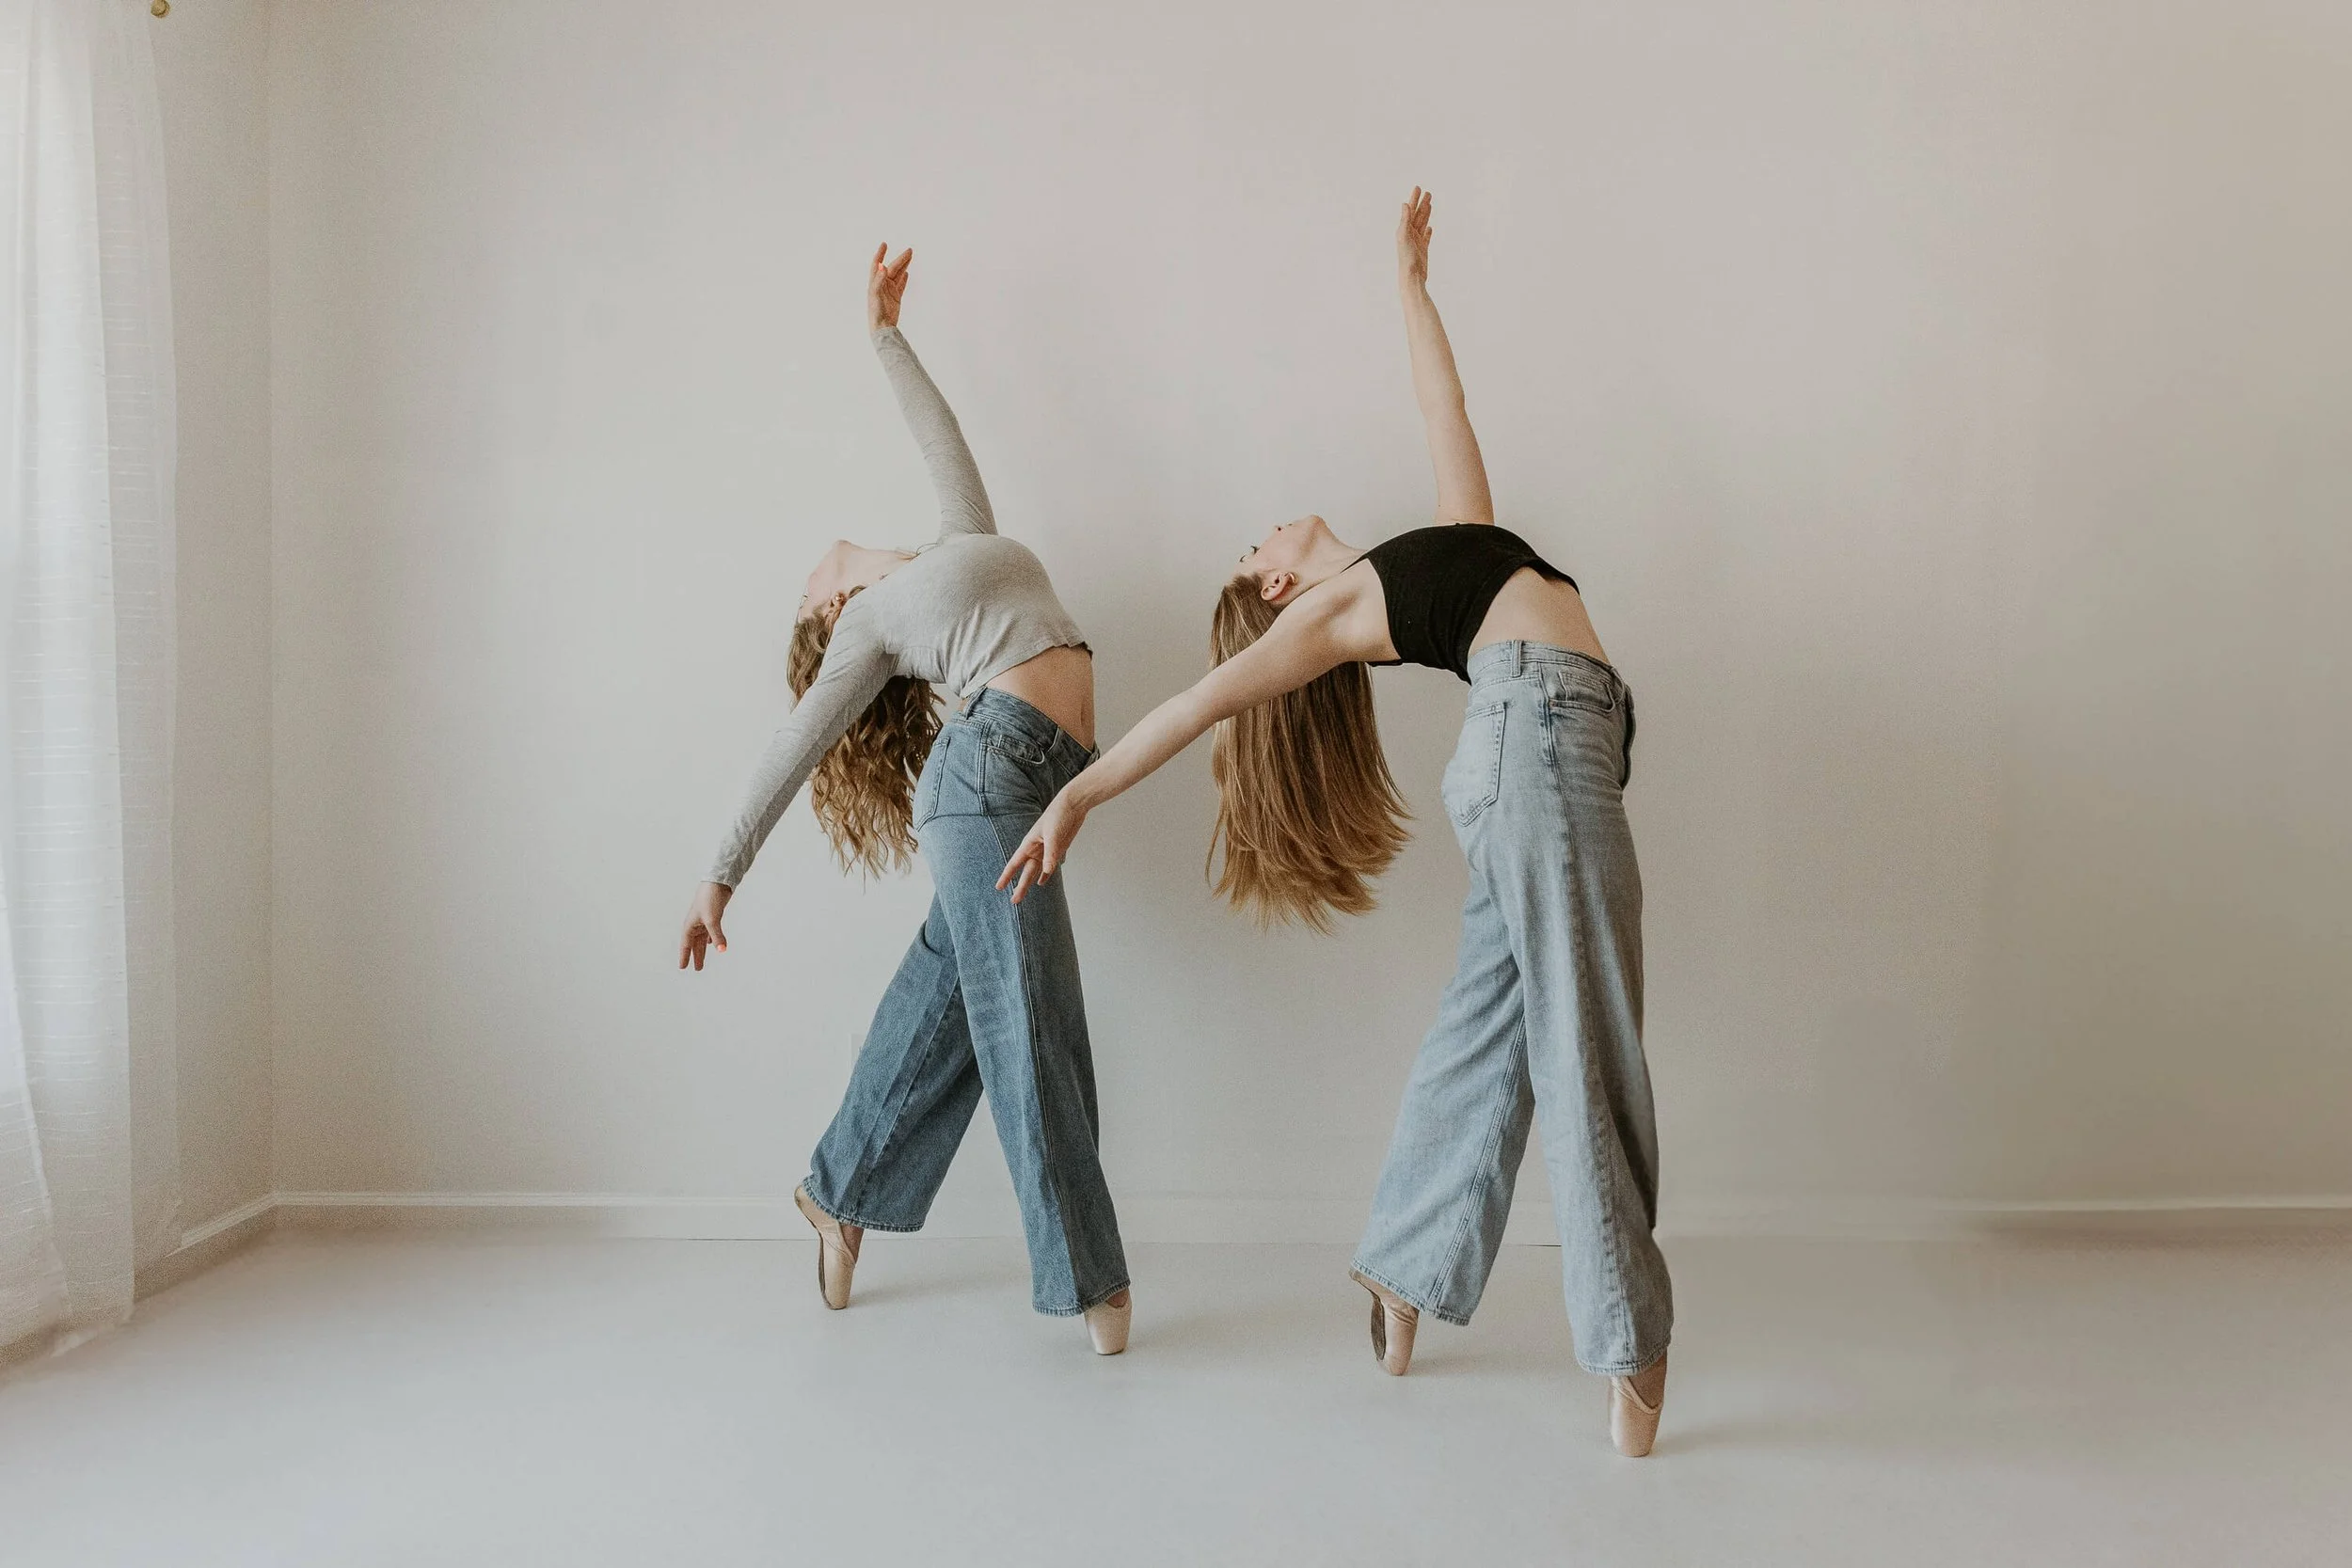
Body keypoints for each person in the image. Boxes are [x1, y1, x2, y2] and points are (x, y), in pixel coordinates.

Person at [997, 190, 1672, 1448]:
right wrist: (1077, 796)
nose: (1271, 527)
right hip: (1537, 739)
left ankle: (1402, 1268)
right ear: (1273, 578)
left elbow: (1446, 416)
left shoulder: (1439, 551)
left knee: (1494, 1026)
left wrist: (1411, 288)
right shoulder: (1326, 614)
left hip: (1548, 740)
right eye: (1258, 540)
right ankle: (1631, 1345)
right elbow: (1198, 705)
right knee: (1589, 1041)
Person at [682, 245, 1132, 1354]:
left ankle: (840, 1187)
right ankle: (1091, 1284)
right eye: (808, 590)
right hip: (988, 778)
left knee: (953, 1008)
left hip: (1030, 781)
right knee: (1033, 1028)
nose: (808, 574)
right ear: (826, 607)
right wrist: (719, 873)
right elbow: (794, 744)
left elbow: (946, 446)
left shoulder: (955, 543)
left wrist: (885, 335)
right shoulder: (868, 624)